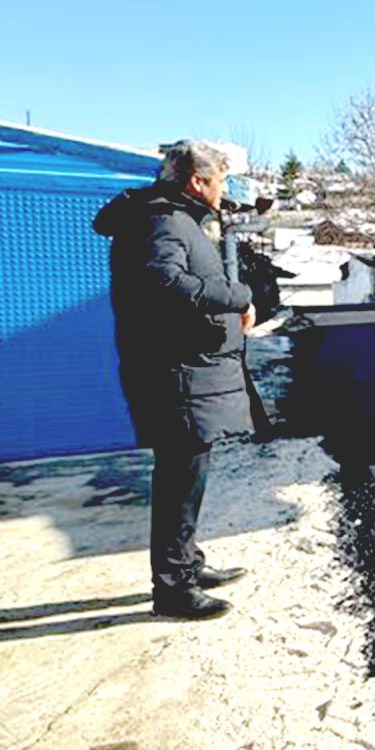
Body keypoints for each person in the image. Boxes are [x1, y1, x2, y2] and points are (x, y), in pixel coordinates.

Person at [92, 140, 255, 620]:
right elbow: (163, 283)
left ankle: (188, 564)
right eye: (220, 181)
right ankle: (173, 588)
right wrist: (237, 296)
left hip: (186, 371)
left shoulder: (172, 218)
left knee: (188, 475)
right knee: (179, 480)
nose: (223, 190)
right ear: (196, 182)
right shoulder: (161, 221)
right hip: (175, 374)